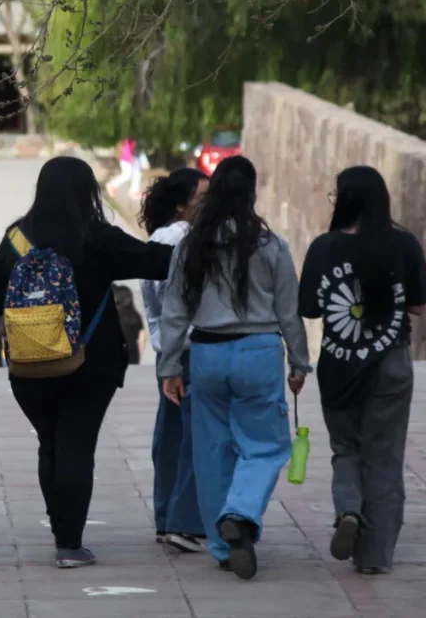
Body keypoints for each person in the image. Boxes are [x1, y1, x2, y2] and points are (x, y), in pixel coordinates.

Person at [0, 156, 175, 569]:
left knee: (50, 444)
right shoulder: (97, 236)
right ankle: (69, 543)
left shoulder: (17, 238)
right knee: (76, 446)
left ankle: (62, 526)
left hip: (29, 365)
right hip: (90, 364)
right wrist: (201, 242)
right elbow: (157, 261)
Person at [157, 155, 311, 580]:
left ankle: (225, 548)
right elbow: (289, 312)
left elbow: (174, 310)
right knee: (265, 445)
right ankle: (240, 513)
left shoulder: (191, 245)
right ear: (251, 193)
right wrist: (299, 363)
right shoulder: (271, 245)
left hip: (206, 353)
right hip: (259, 352)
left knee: (212, 451)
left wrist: (170, 367)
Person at [298, 165, 426, 575]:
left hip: (339, 366)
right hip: (390, 365)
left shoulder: (324, 247)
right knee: (384, 458)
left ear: (345, 201)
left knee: (346, 449)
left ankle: (349, 511)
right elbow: (419, 305)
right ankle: (374, 558)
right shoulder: (403, 244)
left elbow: (309, 308)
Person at [139, 168, 209, 552]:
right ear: (181, 205)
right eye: (202, 198)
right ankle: (184, 522)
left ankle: (167, 518)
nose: (209, 205)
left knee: (171, 436)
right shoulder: (182, 240)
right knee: (192, 437)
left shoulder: (159, 239)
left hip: (168, 349)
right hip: (188, 351)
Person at [112, 284, 146, 365]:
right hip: (132, 353)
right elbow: (142, 337)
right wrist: (139, 353)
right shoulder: (135, 315)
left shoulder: (114, 315)